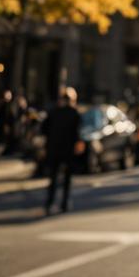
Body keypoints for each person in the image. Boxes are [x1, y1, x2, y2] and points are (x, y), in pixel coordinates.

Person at [42, 87, 81, 215]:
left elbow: (44, 129)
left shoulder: (53, 112)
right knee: (66, 179)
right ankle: (64, 203)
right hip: (67, 150)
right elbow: (78, 134)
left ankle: (50, 203)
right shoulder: (74, 113)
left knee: (53, 178)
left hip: (54, 149)